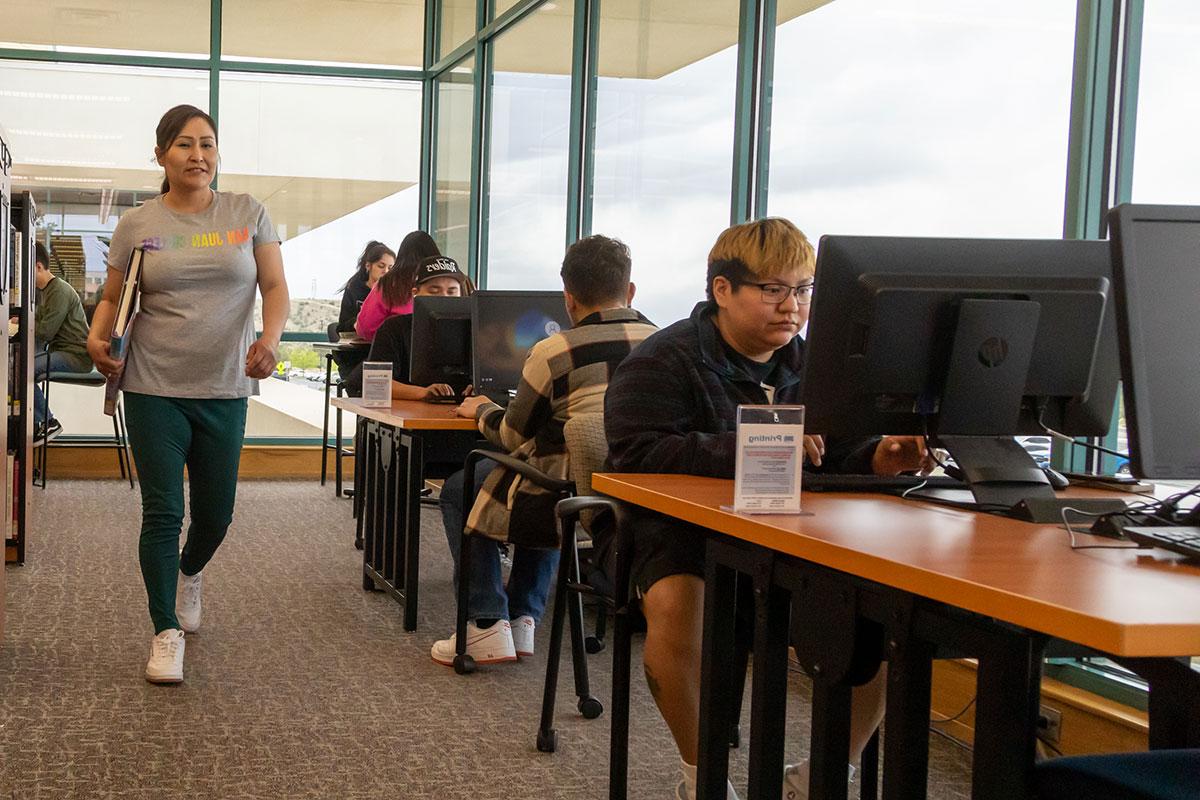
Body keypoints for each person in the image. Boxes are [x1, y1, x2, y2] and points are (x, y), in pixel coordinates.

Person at [603, 218, 933, 800]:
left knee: (890, 614)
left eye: (804, 291)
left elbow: (834, 449)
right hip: (677, 530)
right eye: (774, 290)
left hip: (794, 530)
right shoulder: (662, 361)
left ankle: (823, 774)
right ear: (722, 290)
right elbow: (636, 454)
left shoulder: (818, 365)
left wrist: (878, 455)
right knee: (681, 603)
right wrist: (750, 446)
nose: (793, 307)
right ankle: (701, 775)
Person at [87, 104, 289, 685]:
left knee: (216, 515)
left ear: (217, 154)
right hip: (153, 385)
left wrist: (271, 342)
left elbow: (273, 286)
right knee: (162, 511)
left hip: (226, 386)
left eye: (207, 144)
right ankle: (164, 629)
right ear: (161, 155)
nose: (197, 155)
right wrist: (98, 337)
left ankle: (190, 571)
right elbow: (113, 296)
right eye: (183, 145)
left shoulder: (248, 213)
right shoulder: (137, 223)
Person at [432, 235, 657, 665]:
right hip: (637, 491)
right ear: (630, 292)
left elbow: (515, 435)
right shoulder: (664, 344)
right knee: (542, 474)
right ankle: (523, 619)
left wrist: (482, 411)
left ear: (568, 300)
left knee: (465, 487)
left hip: (569, 490)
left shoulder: (554, 351)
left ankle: (485, 622)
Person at [340, 255, 472, 398]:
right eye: (434, 291)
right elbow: (376, 383)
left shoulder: (473, 329)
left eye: (452, 292)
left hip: (461, 412)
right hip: (404, 414)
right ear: (415, 293)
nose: (444, 298)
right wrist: (423, 393)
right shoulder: (394, 328)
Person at [30, 241, 93, 441]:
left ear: (38, 266)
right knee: (20, 366)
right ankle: (36, 423)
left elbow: (46, 332)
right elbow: (42, 323)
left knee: (25, 369)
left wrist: (24, 326)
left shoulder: (58, 290)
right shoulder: (45, 291)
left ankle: (48, 422)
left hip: (76, 356)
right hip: (63, 351)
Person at [354, 230, 441, 341]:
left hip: (396, 351)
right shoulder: (450, 281)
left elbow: (365, 328)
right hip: (444, 351)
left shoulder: (388, 284)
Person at [336, 240, 395, 333]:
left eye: (390, 268)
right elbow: (341, 328)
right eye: (381, 266)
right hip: (359, 343)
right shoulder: (354, 289)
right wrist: (360, 321)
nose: (386, 271)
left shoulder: (394, 293)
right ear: (368, 266)